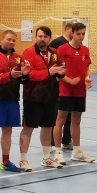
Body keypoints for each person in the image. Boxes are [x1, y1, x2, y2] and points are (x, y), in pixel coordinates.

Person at [0, 29, 29, 173]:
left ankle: (5, 162)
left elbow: (22, 79)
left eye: (13, 40)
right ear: (2, 39)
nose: (11, 42)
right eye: (8, 39)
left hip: (12, 99)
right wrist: (11, 75)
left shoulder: (18, 58)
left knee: (8, 131)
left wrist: (25, 75)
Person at [19, 26, 67, 170]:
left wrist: (61, 72)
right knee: (28, 128)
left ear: (49, 39)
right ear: (36, 37)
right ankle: (23, 160)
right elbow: (29, 74)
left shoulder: (55, 53)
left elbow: (60, 69)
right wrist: (49, 72)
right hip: (32, 98)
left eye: (45, 37)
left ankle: (46, 158)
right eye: (40, 36)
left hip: (51, 97)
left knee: (47, 128)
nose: (42, 39)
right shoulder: (28, 53)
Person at [52, 22, 96, 165]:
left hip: (80, 91)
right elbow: (57, 71)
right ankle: (58, 152)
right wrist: (69, 80)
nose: (81, 36)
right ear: (72, 33)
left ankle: (76, 151)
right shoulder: (62, 49)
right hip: (65, 91)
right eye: (78, 34)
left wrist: (87, 77)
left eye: (83, 34)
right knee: (60, 121)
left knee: (76, 121)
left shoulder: (85, 50)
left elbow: (86, 67)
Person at [49, 21, 75, 151]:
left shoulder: (76, 44)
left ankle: (67, 139)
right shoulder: (57, 43)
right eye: (74, 30)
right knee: (58, 113)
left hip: (71, 85)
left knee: (70, 113)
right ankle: (52, 139)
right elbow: (51, 62)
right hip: (58, 85)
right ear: (68, 28)